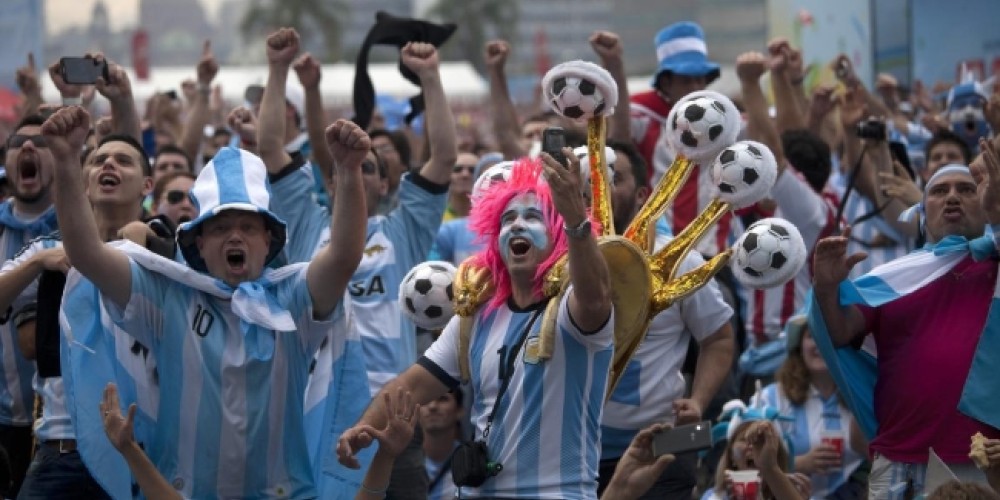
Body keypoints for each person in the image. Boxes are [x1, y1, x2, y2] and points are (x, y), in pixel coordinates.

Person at [41, 103, 367, 497]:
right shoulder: (167, 296)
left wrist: (348, 172)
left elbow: (345, 256)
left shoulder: (293, 297)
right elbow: (87, 254)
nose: (235, 237)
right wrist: (64, 159)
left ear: (269, 242)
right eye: (221, 227)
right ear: (196, 242)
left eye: (248, 227)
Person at [338, 150, 614, 499]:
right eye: (508, 218)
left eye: (533, 217)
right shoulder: (476, 318)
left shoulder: (573, 310)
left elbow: (596, 297)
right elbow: (409, 386)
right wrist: (362, 429)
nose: (516, 225)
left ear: (558, 234)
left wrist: (575, 218)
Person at [258, 30, 457, 498]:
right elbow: (270, 146)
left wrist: (429, 76)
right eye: (349, 167)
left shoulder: (403, 230)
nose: (358, 171)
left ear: (388, 186)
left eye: (370, 167)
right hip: (317, 413)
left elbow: (444, 156)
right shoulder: (306, 223)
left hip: (394, 419)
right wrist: (277, 68)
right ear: (329, 184)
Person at [811, 148, 1000, 498]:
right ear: (922, 211)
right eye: (940, 191)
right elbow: (839, 331)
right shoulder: (894, 278)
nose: (953, 197)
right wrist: (825, 287)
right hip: (898, 459)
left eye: (967, 188)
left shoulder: (996, 268)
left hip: (984, 461)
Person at [598, 138, 735, 500]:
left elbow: (718, 339)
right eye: (594, 176)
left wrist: (699, 401)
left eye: (615, 177)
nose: (602, 187)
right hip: (574, 451)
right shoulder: (559, 259)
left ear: (643, 194)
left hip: (660, 448)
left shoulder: (677, 261)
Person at [0, 115, 59, 497]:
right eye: (18, 141)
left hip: (63, 431)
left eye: (41, 143)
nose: (28, 148)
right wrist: (36, 264)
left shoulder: (85, 228)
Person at [752, 315, 866, 498]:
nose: (819, 344)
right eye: (812, 336)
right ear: (799, 346)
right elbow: (746, 457)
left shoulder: (860, 396)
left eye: (827, 337)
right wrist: (798, 464)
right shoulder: (772, 398)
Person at [702, 420, 808, 500]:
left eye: (761, 442)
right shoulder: (714, 497)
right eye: (744, 439)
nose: (753, 447)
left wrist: (770, 467)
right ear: (732, 457)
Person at [421, 389, 464, 500]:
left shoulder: (472, 462)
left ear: (460, 411)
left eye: (443, 399)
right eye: (426, 400)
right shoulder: (400, 462)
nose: (432, 406)